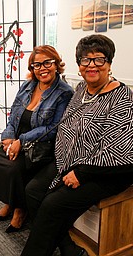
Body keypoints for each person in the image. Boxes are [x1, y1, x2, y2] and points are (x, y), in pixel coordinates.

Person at [21, 34, 133, 256]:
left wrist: (80, 173)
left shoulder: (122, 97)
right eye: (85, 60)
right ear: (79, 65)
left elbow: (119, 151)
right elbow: (67, 126)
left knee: (52, 205)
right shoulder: (82, 89)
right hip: (73, 160)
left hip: (107, 172)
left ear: (109, 63)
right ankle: (68, 248)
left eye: (99, 59)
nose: (92, 65)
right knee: (33, 190)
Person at [0, 45, 74, 233]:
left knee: (15, 167)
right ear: (32, 68)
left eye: (47, 63)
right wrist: (9, 136)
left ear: (57, 64)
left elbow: (54, 128)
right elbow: (13, 115)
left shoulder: (64, 92)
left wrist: (21, 141)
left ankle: (20, 210)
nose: (42, 68)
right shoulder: (27, 86)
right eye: (37, 65)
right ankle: (10, 202)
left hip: (41, 145)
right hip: (18, 140)